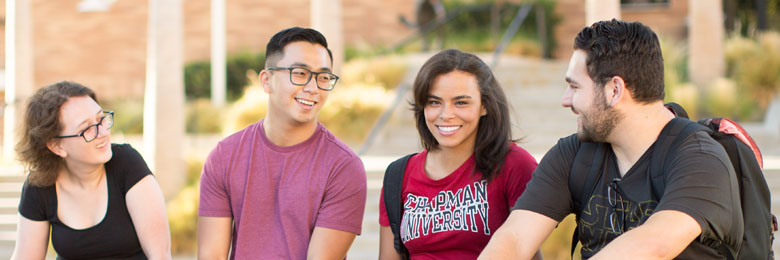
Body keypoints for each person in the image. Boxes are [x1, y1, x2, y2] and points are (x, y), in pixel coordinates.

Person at [478, 19, 743, 259]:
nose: (565, 100)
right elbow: (514, 238)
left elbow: (653, 246)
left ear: (614, 90)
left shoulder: (700, 159)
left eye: (574, 87)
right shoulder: (574, 155)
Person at [197, 27, 367, 259]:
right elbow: (211, 256)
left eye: (324, 77)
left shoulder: (343, 167)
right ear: (267, 81)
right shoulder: (224, 157)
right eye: (299, 73)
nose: (313, 88)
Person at [378, 49, 539, 259]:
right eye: (434, 102)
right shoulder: (398, 176)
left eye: (461, 102)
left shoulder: (514, 165)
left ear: (484, 106)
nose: (446, 115)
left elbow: (527, 250)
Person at [12, 81, 171, 260]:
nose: (103, 132)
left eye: (101, 119)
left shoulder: (127, 164)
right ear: (56, 146)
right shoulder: (40, 185)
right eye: (87, 128)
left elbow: (160, 256)